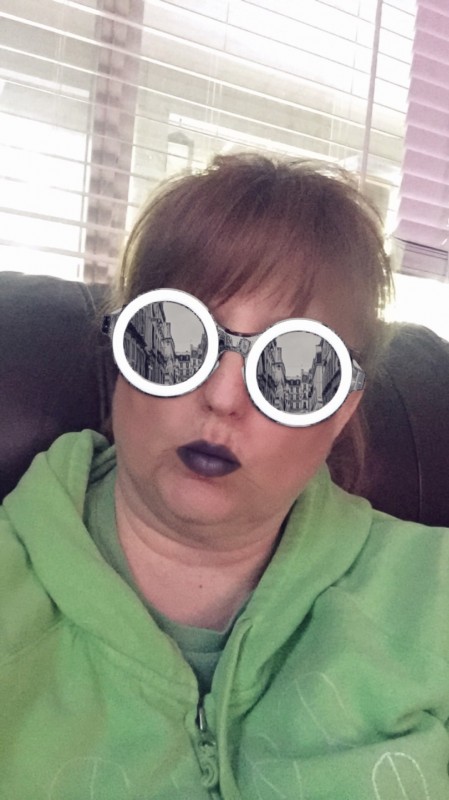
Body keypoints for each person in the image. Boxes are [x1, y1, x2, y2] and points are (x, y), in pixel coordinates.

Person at [1, 153, 449, 800]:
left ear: (341, 411)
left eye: (295, 366)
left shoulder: (434, 592)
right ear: (122, 353)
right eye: (176, 339)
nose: (222, 397)